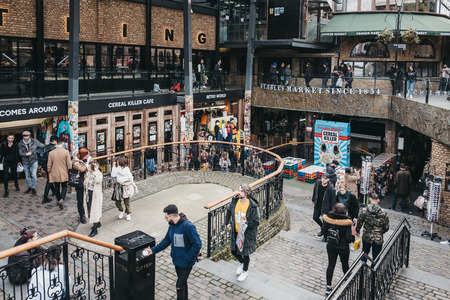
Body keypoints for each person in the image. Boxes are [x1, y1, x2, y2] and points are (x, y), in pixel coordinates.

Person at [143, 204, 202, 300]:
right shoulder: (172, 226)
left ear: (172, 216)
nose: (165, 219)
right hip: (177, 261)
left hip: (186, 263)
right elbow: (166, 240)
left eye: (166, 217)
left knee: (179, 287)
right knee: (183, 284)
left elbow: (197, 244)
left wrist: (188, 258)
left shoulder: (188, 226)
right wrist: (152, 250)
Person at [225, 184, 260, 282]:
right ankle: (242, 263)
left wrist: (247, 223)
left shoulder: (252, 206)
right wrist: (228, 223)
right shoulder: (235, 202)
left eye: (240, 191)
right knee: (233, 250)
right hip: (235, 231)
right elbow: (228, 212)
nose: (238, 192)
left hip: (246, 234)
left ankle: (245, 271)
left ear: (246, 193)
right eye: (238, 190)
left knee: (245, 253)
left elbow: (256, 222)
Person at [322, 203, 353, 295]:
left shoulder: (328, 218)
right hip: (343, 247)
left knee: (331, 265)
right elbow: (348, 238)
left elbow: (323, 230)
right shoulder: (347, 221)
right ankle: (346, 280)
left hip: (331, 245)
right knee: (345, 264)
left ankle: (328, 286)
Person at [356, 193, 389, 262]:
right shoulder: (383, 213)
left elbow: (359, 222)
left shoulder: (364, 210)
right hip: (378, 237)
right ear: (378, 200)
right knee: (376, 257)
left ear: (370, 199)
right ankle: (373, 270)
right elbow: (386, 227)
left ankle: (363, 267)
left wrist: (357, 230)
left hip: (367, 235)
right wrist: (380, 232)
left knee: (364, 253)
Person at [47, 137, 72, 211]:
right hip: (63, 171)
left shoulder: (51, 153)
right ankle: (62, 199)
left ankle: (59, 200)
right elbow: (69, 164)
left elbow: (49, 164)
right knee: (64, 186)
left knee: (56, 187)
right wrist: (69, 170)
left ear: (56, 143)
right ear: (62, 143)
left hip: (54, 172)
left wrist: (49, 171)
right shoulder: (66, 152)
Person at [111, 156, 138, 221]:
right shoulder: (118, 168)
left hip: (126, 187)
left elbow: (130, 178)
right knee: (117, 201)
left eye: (118, 161)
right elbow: (113, 175)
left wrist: (124, 181)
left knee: (126, 202)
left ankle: (128, 214)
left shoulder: (126, 169)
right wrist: (114, 167)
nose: (117, 162)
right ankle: (121, 210)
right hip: (118, 187)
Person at [18, 131, 44, 196]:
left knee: (34, 174)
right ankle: (29, 187)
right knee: (27, 175)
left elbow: (42, 146)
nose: (26, 137)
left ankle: (33, 188)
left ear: (29, 135)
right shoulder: (20, 143)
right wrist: (26, 154)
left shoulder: (34, 141)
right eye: (24, 136)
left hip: (34, 160)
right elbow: (20, 153)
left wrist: (37, 152)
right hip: (25, 161)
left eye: (27, 136)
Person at [312, 173, 336, 240]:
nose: (323, 180)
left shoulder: (331, 188)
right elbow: (315, 191)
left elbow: (333, 200)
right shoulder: (317, 183)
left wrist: (332, 210)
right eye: (322, 178)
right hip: (318, 204)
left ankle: (325, 237)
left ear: (328, 179)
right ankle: (323, 229)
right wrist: (313, 200)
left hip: (326, 207)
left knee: (325, 221)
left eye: (325, 179)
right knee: (315, 217)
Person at [84, 160, 103, 237]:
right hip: (89, 193)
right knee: (90, 209)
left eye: (89, 167)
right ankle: (97, 223)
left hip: (95, 195)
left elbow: (98, 180)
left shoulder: (97, 174)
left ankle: (95, 229)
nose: (87, 168)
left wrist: (95, 171)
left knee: (94, 211)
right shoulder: (88, 173)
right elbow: (86, 183)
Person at [72, 147, 91, 223]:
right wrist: (88, 167)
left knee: (87, 198)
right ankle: (81, 214)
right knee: (80, 199)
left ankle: (86, 211)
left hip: (88, 181)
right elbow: (81, 169)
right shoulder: (76, 161)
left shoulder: (89, 159)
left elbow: (95, 165)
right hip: (80, 182)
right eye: (87, 154)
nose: (89, 155)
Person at [1, 133, 21, 198]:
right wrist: (8, 147)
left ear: (14, 138)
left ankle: (16, 184)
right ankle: (6, 190)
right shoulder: (3, 144)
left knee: (14, 174)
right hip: (6, 162)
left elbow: (17, 153)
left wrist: (18, 161)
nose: (11, 139)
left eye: (12, 138)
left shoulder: (16, 143)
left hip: (13, 162)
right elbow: (2, 154)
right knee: (5, 176)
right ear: (7, 138)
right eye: (9, 138)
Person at [40, 135, 58, 204]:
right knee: (49, 181)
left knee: (50, 180)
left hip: (46, 166)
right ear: (55, 141)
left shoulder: (45, 147)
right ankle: (45, 197)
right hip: (52, 167)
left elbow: (43, 158)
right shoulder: (54, 148)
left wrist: (42, 167)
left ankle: (53, 192)